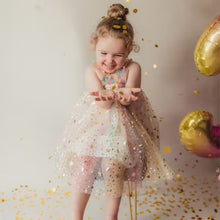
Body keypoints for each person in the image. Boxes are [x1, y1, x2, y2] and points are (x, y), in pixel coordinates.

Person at [54, 3, 173, 220]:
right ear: (94, 46)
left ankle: (112, 216)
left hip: (122, 131)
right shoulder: (92, 70)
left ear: (128, 50)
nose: (109, 61)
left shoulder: (132, 68)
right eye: (103, 53)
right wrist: (109, 96)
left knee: (114, 167)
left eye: (117, 55)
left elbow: (129, 97)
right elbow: (102, 104)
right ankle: (75, 214)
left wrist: (126, 97)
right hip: (94, 127)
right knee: (85, 163)